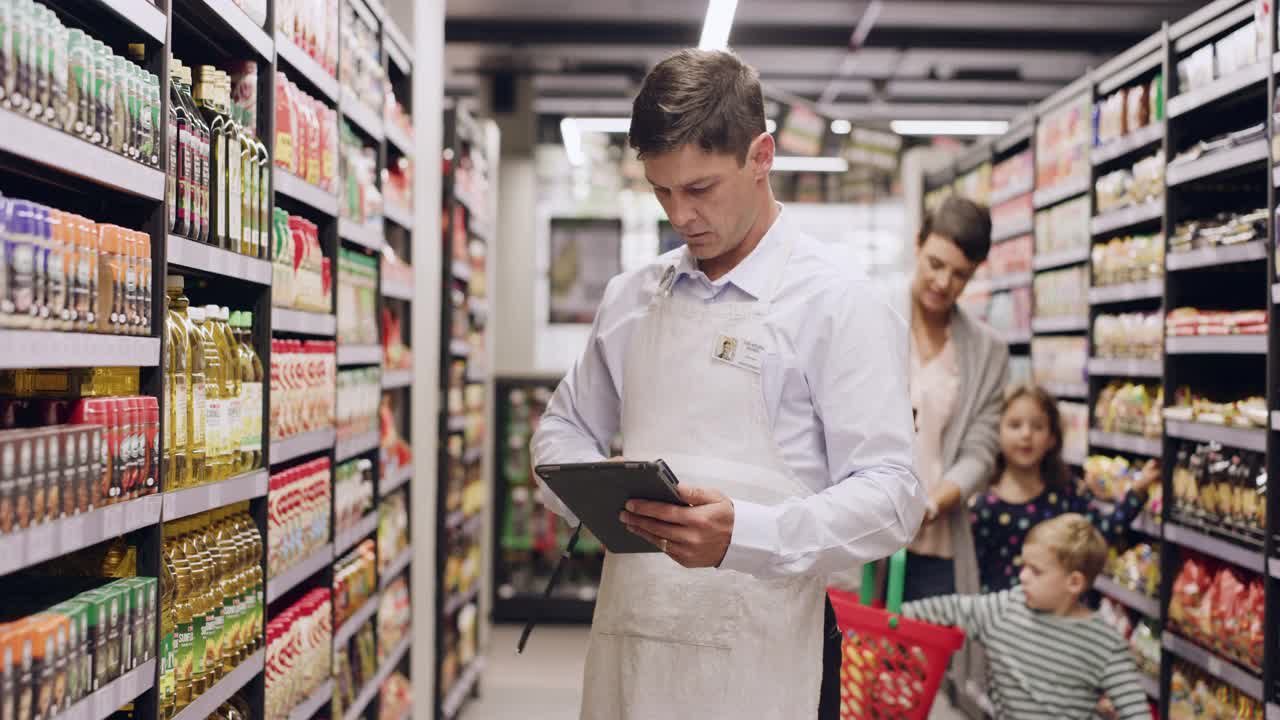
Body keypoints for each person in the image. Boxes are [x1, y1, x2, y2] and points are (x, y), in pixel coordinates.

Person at [530, 48, 922, 720]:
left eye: (701, 188)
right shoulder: (632, 299)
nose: (680, 215)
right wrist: (599, 498)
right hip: (634, 650)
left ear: (761, 155)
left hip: (769, 660)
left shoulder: (838, 302)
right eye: (661, 191)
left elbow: (893, 495)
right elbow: (561, 431)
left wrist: (749, 534)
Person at [902, 514, 1152, 720]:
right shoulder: (1005, 608)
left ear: (1074, 582)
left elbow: (1136, 712)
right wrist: (890, 616)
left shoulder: (1105, 644)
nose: (1022, 576)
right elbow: (949, 608)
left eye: (1036, 571)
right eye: (1024, 566)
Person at [889, 195, 1009, 603]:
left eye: (960, 274)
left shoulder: (988, 352)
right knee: (857, 660)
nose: (943, 283)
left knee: (927, 661)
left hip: (936, 544)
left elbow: (981, 448)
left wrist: (931, 505)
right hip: (860, 534)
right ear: (918, 243)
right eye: (936, 264)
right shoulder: (871, 315)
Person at [973, 384, 1160, 593]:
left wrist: (1137, 491)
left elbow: (1099, 535)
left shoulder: (1065, 492)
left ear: (1052, 438)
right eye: (1015, 425)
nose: (1026, 434)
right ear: (996, 433)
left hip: (1060, 617)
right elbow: (973, 573)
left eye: (1037, 426)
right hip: (1004, 619)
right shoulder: (984, 506)